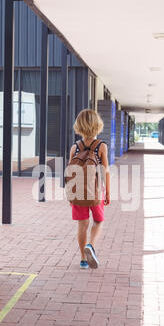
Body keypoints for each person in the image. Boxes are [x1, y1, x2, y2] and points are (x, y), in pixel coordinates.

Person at [68, 109, 110, 269]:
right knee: (98, 221)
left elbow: (70, 172)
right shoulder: (101, 146)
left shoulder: (75, 148)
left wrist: (70, 194)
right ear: (97, 125)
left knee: (82, 224)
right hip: (96, 190)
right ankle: (90, 246)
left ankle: (83, 259)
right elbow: (106, 171)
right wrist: (108, 193)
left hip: (78, 191)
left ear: (78, 125)